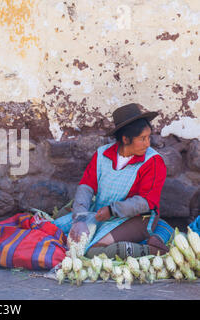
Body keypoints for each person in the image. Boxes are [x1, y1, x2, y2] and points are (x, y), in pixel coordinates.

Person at [54, 103, 174, 259]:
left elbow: (146, 202)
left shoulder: (153, 162)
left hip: (138, 218)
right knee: (64, 236)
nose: (148, 143)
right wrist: (81, 218)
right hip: (101, 212)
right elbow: (86, 186)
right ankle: (159, 233)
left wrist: (112, 210)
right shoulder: (102, 155)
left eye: (148, 137)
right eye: (142, 138)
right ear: (125, 139)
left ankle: (151, 249)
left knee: (93, 250)